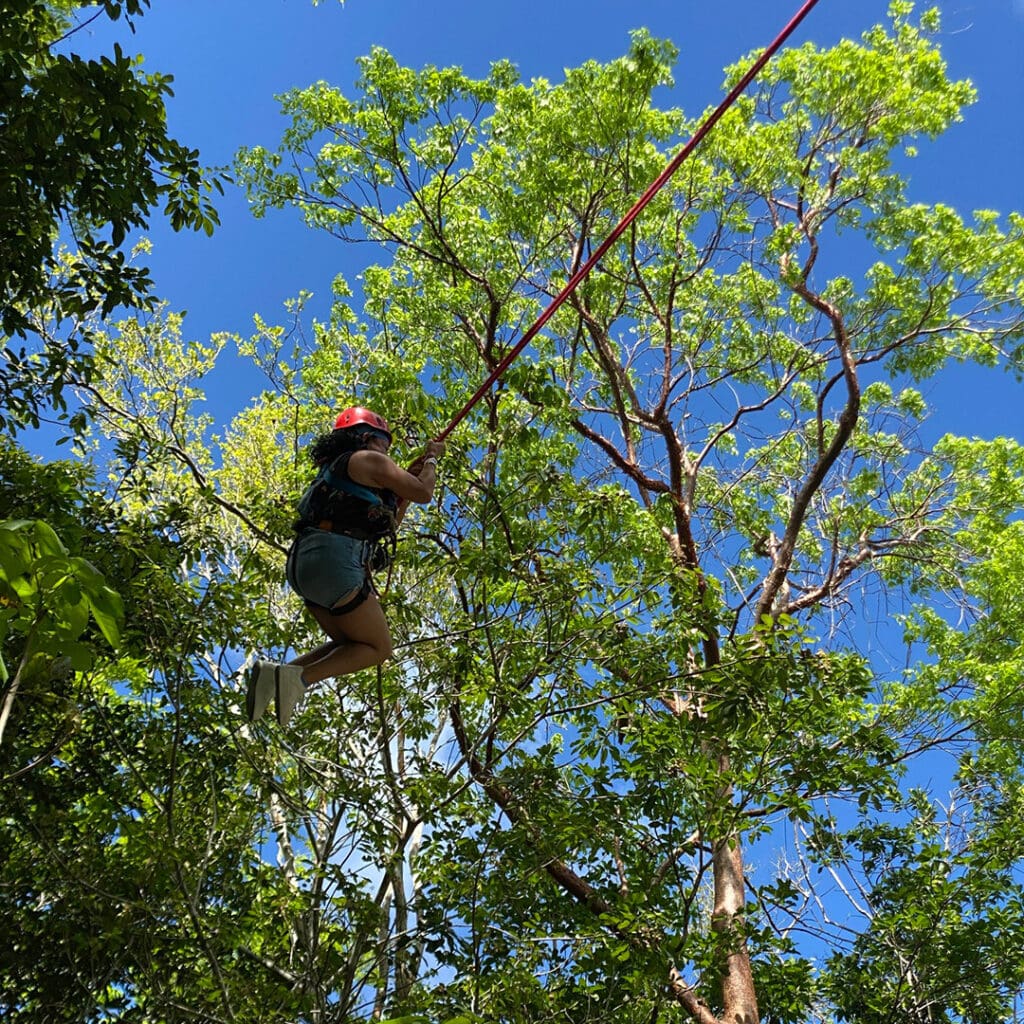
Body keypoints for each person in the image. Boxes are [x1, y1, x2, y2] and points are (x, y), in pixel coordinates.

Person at [246, 405, 445, 726]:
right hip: (335, 562)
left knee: (351, 645)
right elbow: (424, 492)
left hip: (305, 566)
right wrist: (433, 458)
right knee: (378, 648)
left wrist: (401, 490)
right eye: (384, 443)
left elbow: (390, 522)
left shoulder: (338, 470)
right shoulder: (369, 459)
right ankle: (300, 680)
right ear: (366, 437)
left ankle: (279, 673)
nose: (387, 451)